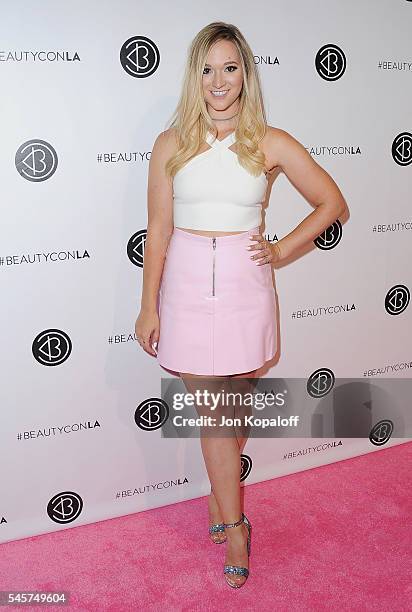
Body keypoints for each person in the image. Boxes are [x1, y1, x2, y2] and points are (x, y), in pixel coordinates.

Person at [135, 21, 347, 588]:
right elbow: (157, 229)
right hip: (182, 286)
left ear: (246, 74)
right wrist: (147, 305)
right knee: (214, 415)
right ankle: (235, 525)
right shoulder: (170, 143)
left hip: (244, 288)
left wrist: (280, 251)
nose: (218, 80)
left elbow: (332, 202)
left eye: (230, 67)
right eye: (207, 69)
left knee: (238, 410)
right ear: (194, 77)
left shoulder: (270, 141)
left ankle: (219, 491)